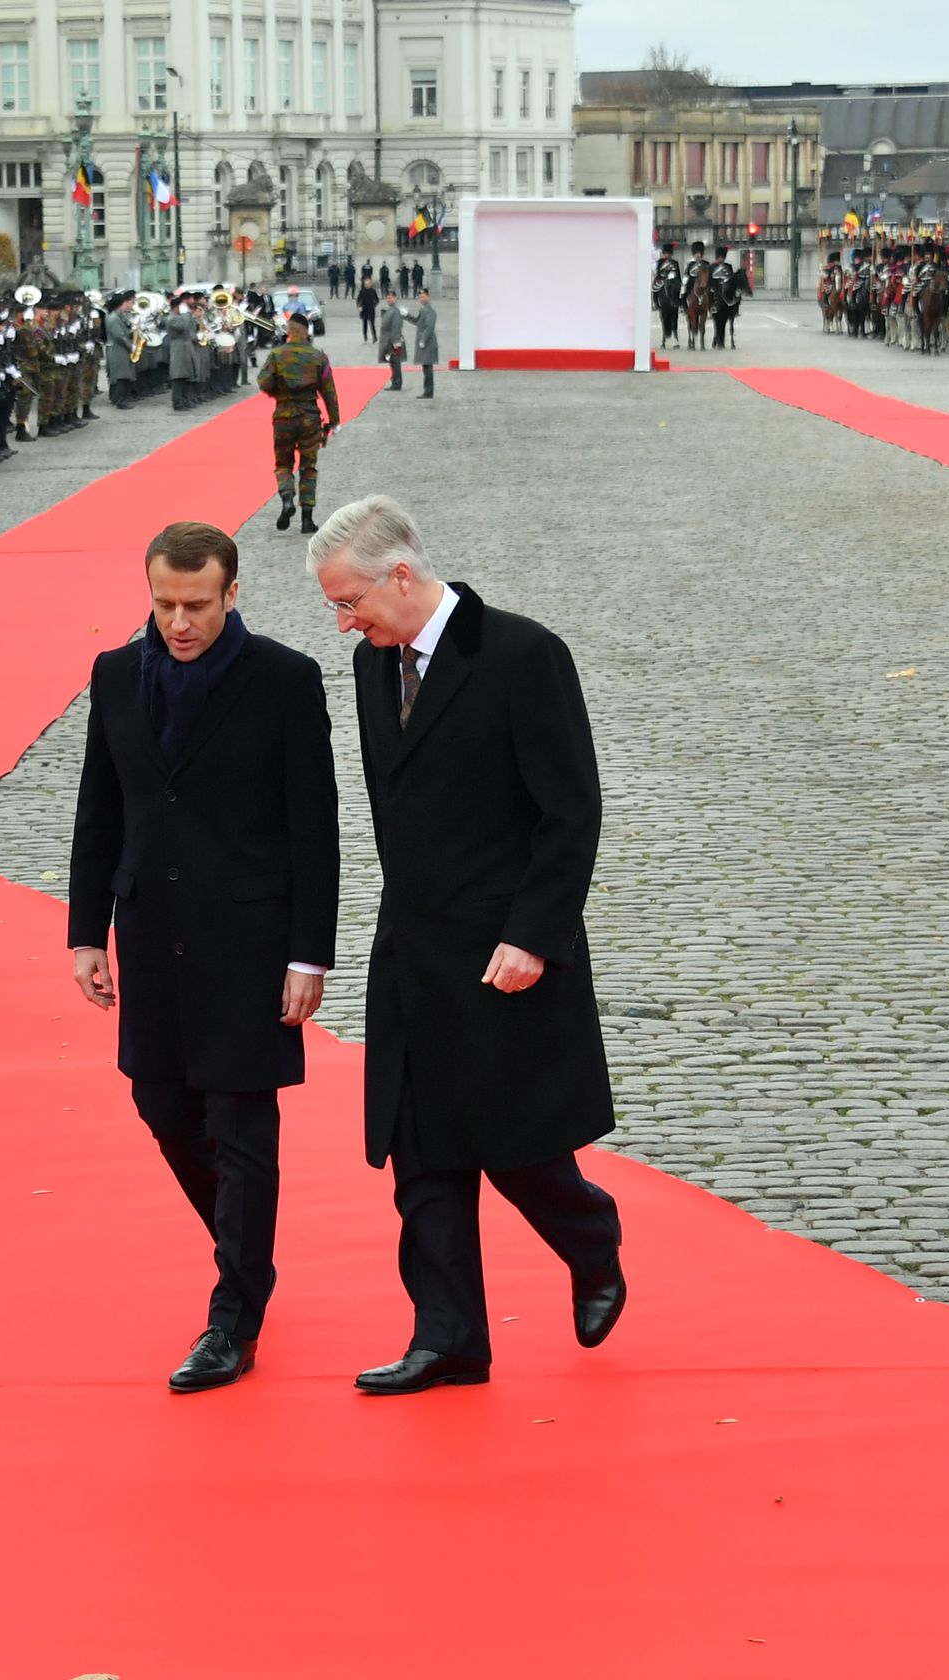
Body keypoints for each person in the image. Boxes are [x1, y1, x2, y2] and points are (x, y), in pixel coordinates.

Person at [307, 496, 626, 1394]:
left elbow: (571, 811)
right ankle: (449, 1337)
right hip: (412, 949)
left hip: (503, 953)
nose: (344, 623)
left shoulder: (524, 655)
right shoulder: (376, 667)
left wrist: (534, 936)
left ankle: (589, 1236)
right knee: (421, 1151)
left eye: (349, 602)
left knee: (516, 1142)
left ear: (399, 574)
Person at [68, 520, 338, 1395]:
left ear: (233, 594)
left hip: (249, 943)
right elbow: (98, 813)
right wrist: (85, 932)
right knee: (161, 1106)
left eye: (196, 605)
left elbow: (316, 833)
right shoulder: (114, 673)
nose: (178, 622)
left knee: (242, 1126)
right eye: (164, 604)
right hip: (150, 936)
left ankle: (234, 1318)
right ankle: (244, 1249)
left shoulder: (286, 682)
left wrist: (310, 956)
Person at [255, 310, 341, 535]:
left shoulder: (276, 355)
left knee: (283, 464)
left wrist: (279, 393)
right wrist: (334, 421)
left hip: (283, 417)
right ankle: (307, 519)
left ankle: (286, 499)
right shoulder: (318, 356)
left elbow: (263, 382)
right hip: (310, 418)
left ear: (289, 332)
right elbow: (329, 391)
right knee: (308, 467)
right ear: (307, 332)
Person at [401, 286, 440, 398]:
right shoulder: (424, 310)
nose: (421, 299)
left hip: (428, 343)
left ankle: (428, 392)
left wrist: (423, 340)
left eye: (423, 296)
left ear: (428, 296)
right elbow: (418, 322)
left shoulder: (430, 311)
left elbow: (429, 327)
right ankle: (427, 391)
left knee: (427, 368)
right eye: (420, 297)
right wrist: (406, 316)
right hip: (425, 343)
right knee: (425, 367)